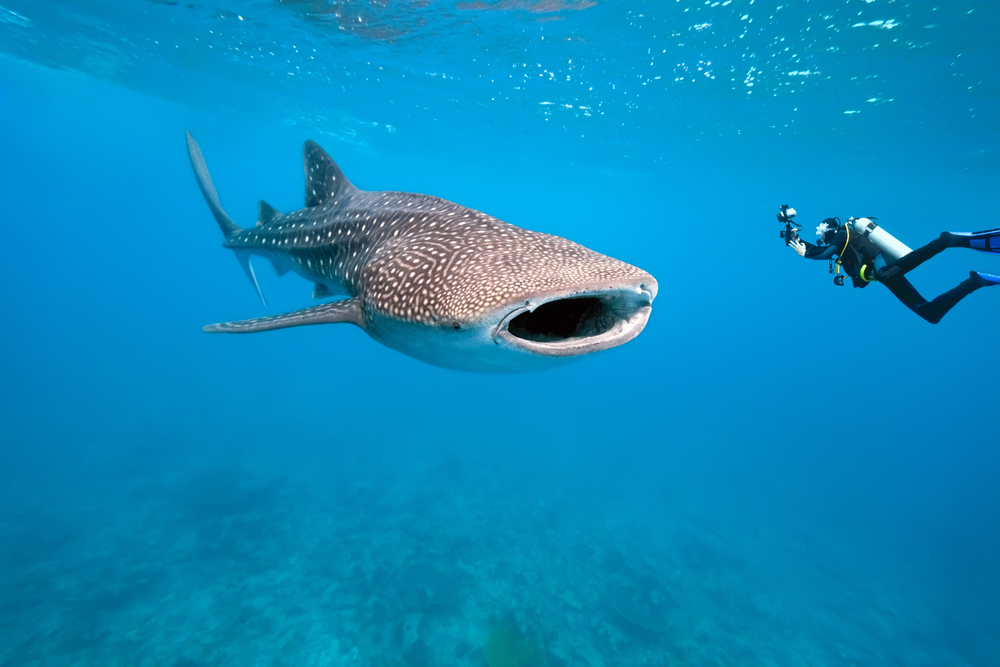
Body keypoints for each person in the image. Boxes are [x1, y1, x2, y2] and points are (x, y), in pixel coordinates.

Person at [788, 216, 1000, 324]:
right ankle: (975, 282)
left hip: (881, 267)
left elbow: (823, 253)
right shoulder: (839, 246)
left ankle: (944, 241)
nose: (820, 234)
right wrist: (794, 240)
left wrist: (805, 254)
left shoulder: (842, 235)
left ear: (831, 230)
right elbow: (819, 250)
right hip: (882, 275)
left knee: (885, 274)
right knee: (930, 314)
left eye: (822, 230)